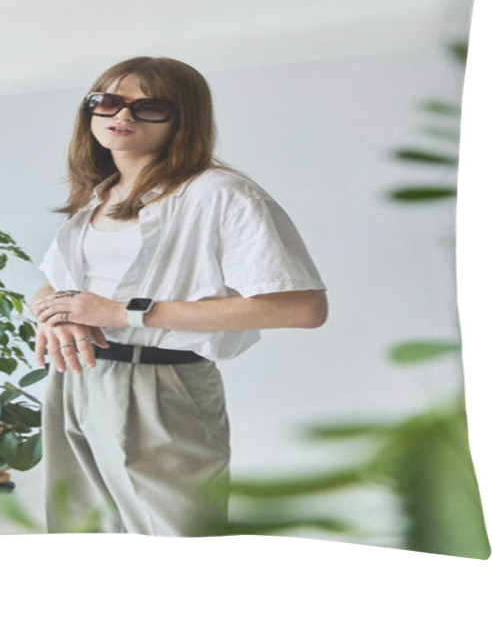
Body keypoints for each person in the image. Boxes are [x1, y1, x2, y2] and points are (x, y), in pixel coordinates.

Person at [30, 55, 328, 536]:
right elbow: (53, 281)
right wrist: (54, 316)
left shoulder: (220, 194)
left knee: (178, 537)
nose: (121, 116)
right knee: (82, 531)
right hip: (75, 380)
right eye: (107, 102)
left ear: (183, 120)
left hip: (161, 386)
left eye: (149, 108)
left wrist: (123, 313)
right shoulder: (98, 194)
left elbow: (303, 307)